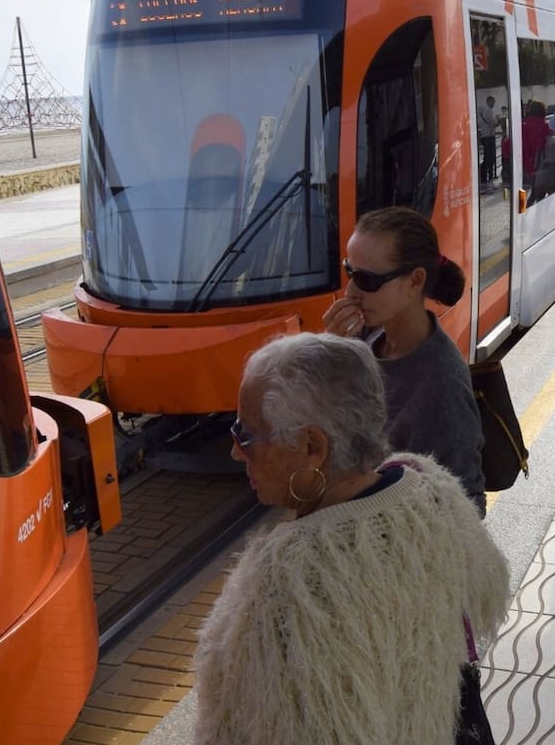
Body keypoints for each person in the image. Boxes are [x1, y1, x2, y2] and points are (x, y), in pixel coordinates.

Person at [194, 333, 510, 744]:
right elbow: (486, 593)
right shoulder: (431, 488)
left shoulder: (286, 579)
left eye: (246, 434)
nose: (236, 452)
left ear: (311, 446)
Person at [323, 207, 487, 514]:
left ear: (415, 281)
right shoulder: (366, 337)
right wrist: (332, 353)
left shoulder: (443, 386)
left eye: (367, 280)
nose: (350, 292)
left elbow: (468, 505)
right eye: (349, 272)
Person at [476, 95, 498, 186]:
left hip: (484, 136)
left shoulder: (480, 110)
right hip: (489, 136)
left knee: (486, 156)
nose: (493, 105)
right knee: (491, 157)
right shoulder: (488, 110)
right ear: (489, 101)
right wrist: (498, 120)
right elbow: (493, 123)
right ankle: (489, 176)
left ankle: (484, 176)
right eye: (492, 102)